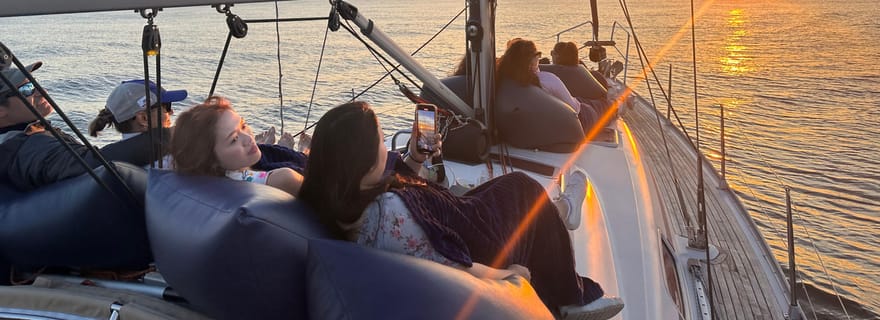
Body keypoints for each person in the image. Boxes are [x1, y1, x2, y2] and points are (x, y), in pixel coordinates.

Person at [298, 101, 624, 320]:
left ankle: (560, 212)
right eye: (382, 142)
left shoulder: (338, 198)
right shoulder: (392, 214)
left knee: (510, 187)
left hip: (457, 213)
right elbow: (452, 265)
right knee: (526, 191)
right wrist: (508, 275)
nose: (386, 148)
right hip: (481, 242)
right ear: (362, 160)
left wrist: (414, 158)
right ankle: (570, 298)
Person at [0, 62, 165, 191]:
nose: (40, 90)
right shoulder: (25, 148)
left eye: (35, 83)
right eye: (27, 89)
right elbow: (92, 164)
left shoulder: (26, 132)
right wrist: (174, 137)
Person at [169, 96, 303, 196]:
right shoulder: (283, 179)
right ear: (211, 161)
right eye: (234, 139)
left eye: (243, 126)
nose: (248, 138)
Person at [88, 79, 187, 168]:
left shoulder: (116, 159)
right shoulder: (169, 162)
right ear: (144, 118)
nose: (171, 112)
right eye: (167, 107)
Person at [497, 39, 582, 113]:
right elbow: (575, 108)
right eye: (538, 55)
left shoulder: (504, 82)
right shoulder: (548, 80)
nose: (539, 58)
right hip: (582, 113)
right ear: (531, 61)